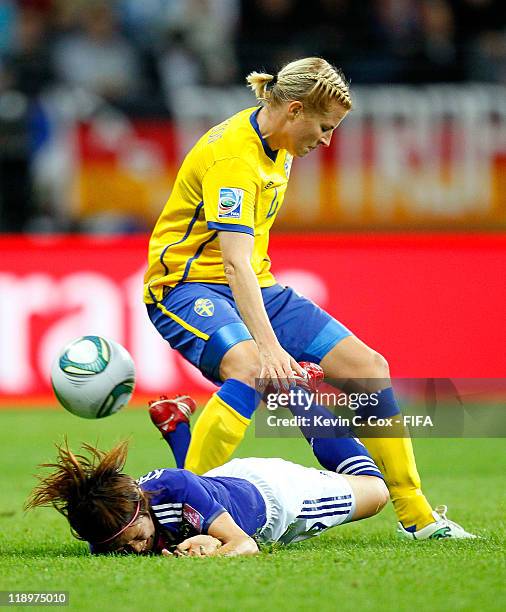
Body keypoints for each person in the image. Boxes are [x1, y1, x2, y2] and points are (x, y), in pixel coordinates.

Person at [143, 56, 475, 540]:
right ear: (294, 110)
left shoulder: (280, 142)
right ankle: (178, 514)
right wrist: (271, 349)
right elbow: (232, 262)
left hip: (259, 284)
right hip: (185, 287)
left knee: (367, 368)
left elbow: (246, 266)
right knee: (253, 369)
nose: (326, 140)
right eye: (323, 127)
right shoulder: (234, 160)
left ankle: (417, 515)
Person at [26, 411, 389, 556]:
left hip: (279, 497)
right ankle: (176, 427)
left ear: (142, 504)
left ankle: (299, 396)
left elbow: (244, 545)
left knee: (376, 491)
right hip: (219, 484)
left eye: (136, 538)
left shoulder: (175, 490)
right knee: (198, 506)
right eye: (124, 547)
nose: (136, 550)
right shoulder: (106, 529)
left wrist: (210, 555)